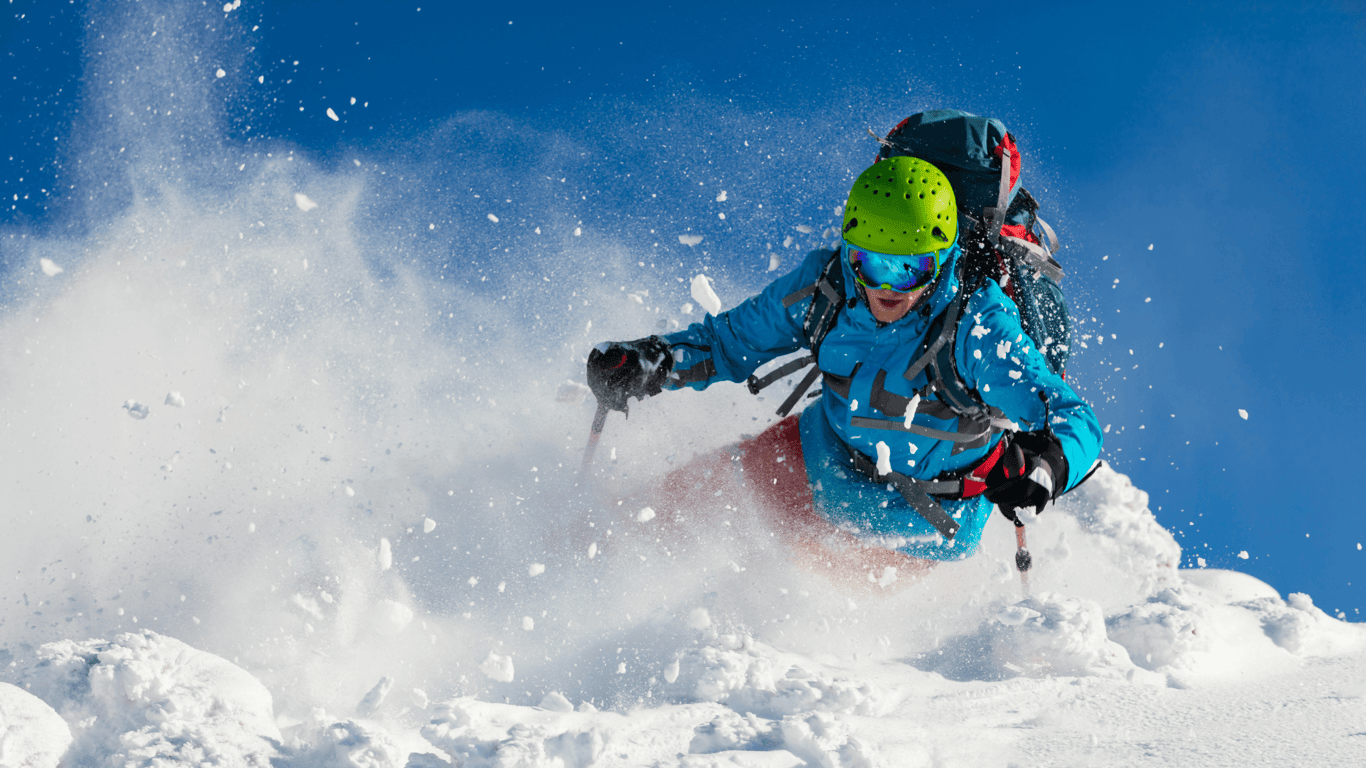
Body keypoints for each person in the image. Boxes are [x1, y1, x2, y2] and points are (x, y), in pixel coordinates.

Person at [586, 155, 1102, 583]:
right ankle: (583, 549)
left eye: (911, 268)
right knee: (670, 513)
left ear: (944, 257)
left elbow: (1073, 417)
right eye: (872, 263)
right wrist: (654, 362)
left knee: (774, 604)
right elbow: (728, 343)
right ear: (849, 250)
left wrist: (1048, 464)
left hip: (920, 522)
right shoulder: (826, 287)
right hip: (817, 455)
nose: (887, 288)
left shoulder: (977, 324)